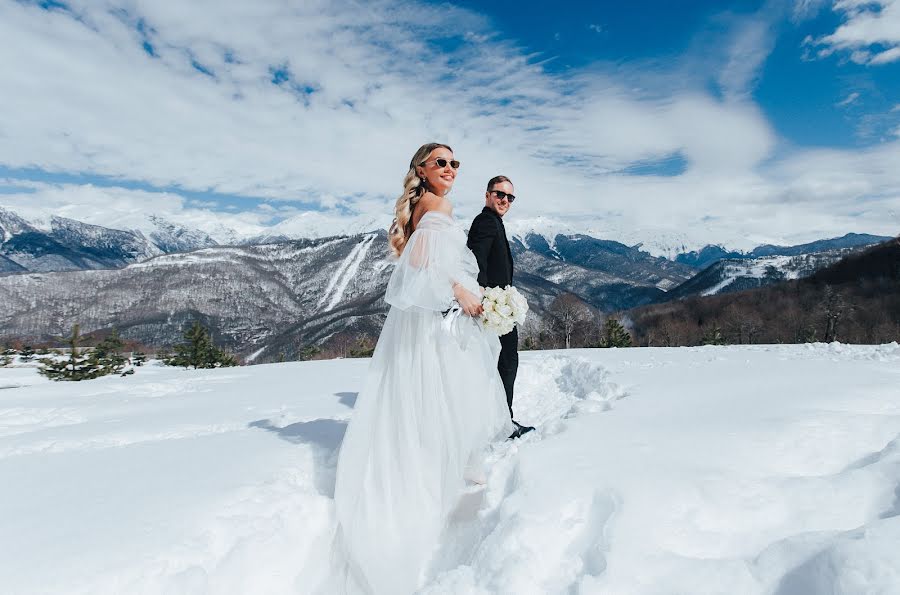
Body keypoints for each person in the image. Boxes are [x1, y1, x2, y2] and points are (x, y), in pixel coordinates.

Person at [330, 143, 512, 595]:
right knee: (442, 392)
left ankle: (437, 465)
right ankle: (434, 477)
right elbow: (423, 266)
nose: (450, 170)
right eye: (441, 163)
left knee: (426, 392)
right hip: (433, 319)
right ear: (422, 170)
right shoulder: (437, 204)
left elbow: (421, 259)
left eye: (454, 164)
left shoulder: (422, 207)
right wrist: (463, 291)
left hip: (424, 319)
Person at [467, 175, 535, 439]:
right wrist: (486, 299)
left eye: (509, 197)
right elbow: (476, 261)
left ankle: (500, 419)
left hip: (499, 308)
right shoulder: (485, 221)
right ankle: (502, 425)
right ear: (487, 195)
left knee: (503, 365)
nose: (505, 200)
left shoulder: (494, 221)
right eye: (499, 194)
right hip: (493, 312)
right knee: (505, 364)